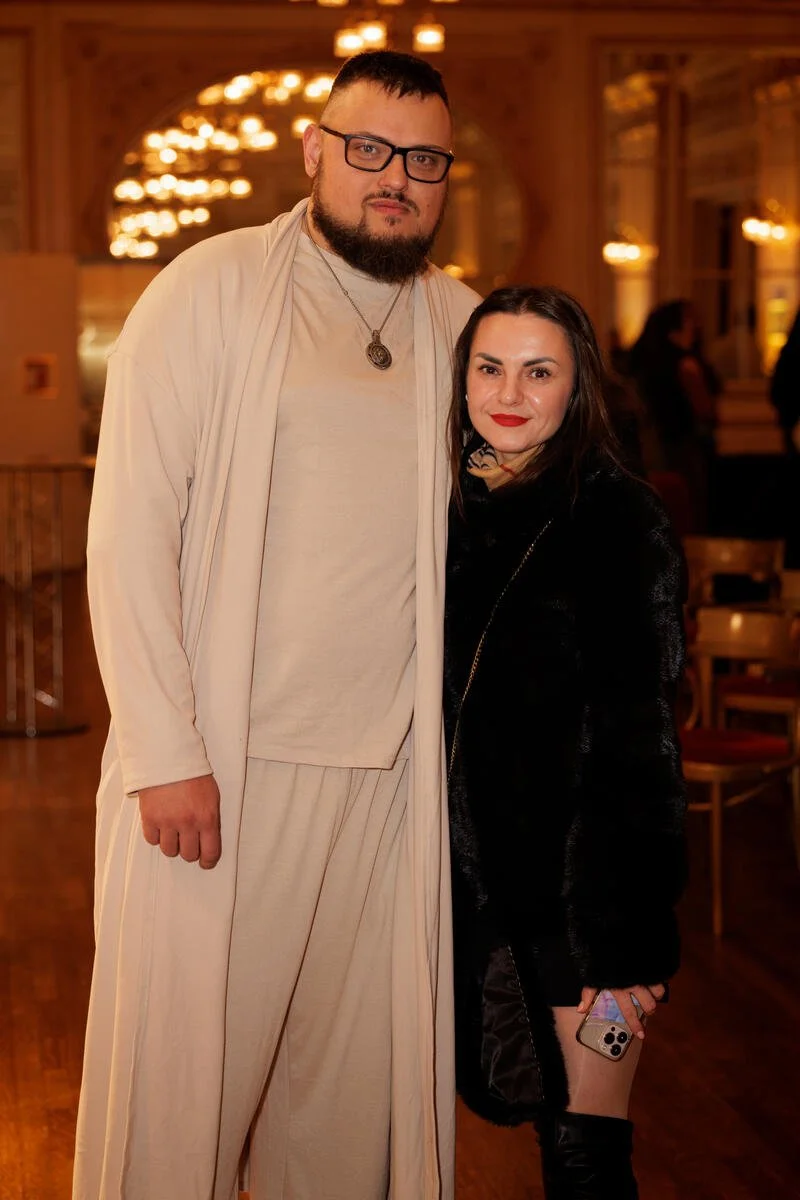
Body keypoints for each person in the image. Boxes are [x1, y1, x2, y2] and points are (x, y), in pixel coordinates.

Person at [74, 50, 478, 1200]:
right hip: (219, 780)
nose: (392, 178)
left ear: (445, 177)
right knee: (180, 1111)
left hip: (395, 792)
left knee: (347, 1120)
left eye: (421, 160)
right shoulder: (210, 289)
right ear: (313, 153)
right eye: (367, 150)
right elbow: (130, 529)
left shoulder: (461, 326)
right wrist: (165, 751)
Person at [443, 287, 687, 1198]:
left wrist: (627, 947)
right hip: (486, 892)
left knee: (587, 1148)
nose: (509, 392)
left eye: (539, 371)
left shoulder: (620, 518)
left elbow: (643, 745)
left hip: (585, 906)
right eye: (489, 367)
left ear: (578, 385)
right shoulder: (463, 509)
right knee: (545, 1126)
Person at [627, 298, 719, 529]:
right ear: (674, 329)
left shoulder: (642, 363)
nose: (696, 326)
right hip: (680, 447)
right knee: (687, 511)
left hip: (648, 451)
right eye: (689, 320)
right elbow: (706, 410)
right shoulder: (684, 364)